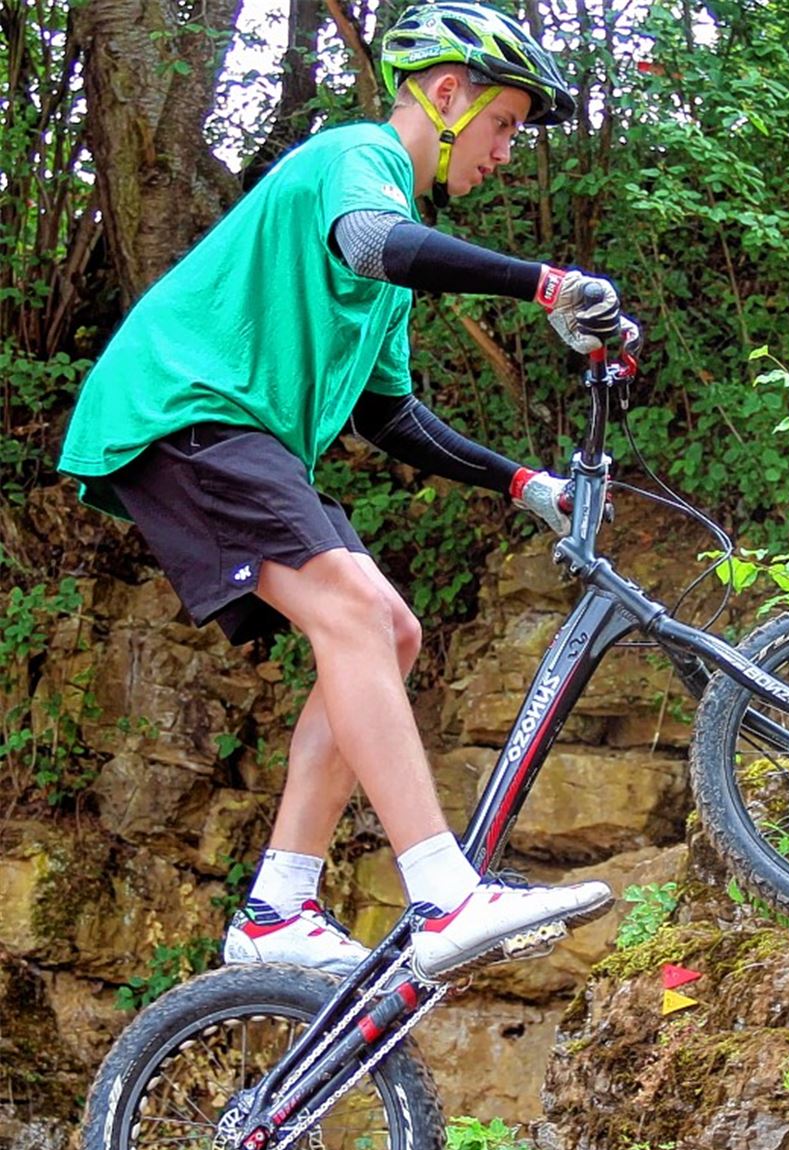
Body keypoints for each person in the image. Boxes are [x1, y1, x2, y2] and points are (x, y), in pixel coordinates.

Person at [57, 2, 628, 982]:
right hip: (185, 407)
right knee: (357, 609)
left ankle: (280, 905)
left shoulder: (395, 258)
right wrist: (545, 284)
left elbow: (389, 417)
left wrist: (524, 483)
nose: (503, 152)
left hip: (241, 432)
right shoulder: (358, 158)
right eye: (502, 125)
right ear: (445, 94)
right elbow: (372, 241)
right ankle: (446, 890)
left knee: (388, 631)